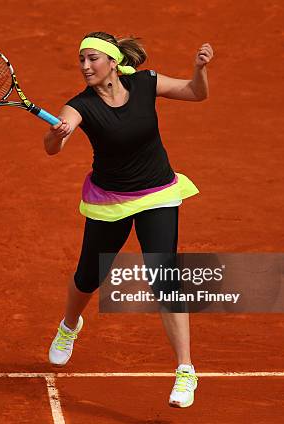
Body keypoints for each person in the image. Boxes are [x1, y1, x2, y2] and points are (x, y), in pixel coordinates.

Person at [43, 31, 213, 408]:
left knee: (164, 277)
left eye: (92, 59)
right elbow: (52, 147)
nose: (85, 66)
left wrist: (199, 70)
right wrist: (58, 135)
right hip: (111, 200)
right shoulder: (81, 105)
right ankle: (69, 326)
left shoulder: (146, 82)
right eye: (81, 60)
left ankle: (185, 370)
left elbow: (195, 92)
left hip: (157, 193)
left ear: (113, 62)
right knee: (89, 275)